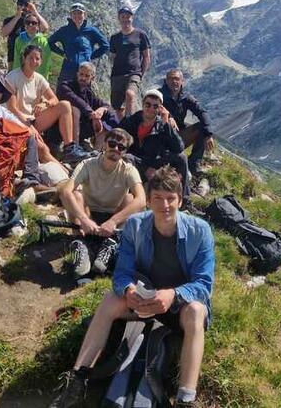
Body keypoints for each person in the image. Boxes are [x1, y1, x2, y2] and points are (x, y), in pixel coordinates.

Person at [49, 167, 214, 408]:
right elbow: (122, 273)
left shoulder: (201, 231)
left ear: (180, 200)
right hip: (143, 300)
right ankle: (77, 380)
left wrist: (173, 294)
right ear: (148, 200)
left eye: (171, 199)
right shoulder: (134, 226)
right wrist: (129, 291)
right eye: (157, 198)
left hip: (179, 306)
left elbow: (203, 284)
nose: (165, 205)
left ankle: (186, 398)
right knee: (109, 300)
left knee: (197, 312)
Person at [58, 128, 145, 277]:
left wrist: (113, 221)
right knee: (75, 195)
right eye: (112, 144)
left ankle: (109, 244)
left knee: (131, 199)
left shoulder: (129, 170)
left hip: (114, 217)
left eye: (121, 147)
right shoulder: (87, 164)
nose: (116, 149)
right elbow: (66, 191)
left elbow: (142, 199)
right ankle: (80, 242)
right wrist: (84, 219)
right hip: (88, 214)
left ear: (125, 152)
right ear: (104, 144)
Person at [5, 44, 90, 164]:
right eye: (31, 58)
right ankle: (61, 170)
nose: (34, 61)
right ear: (24, 58)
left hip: (34, 119)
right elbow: (12, 108)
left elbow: (54, 99)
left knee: (65, 105)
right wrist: (28, 124)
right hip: (18, 121)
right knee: (42, 150)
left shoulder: (39, 79)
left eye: (37, 59)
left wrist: (45, 104)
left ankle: (69, 148)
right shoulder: (12, 77)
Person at [119, 89, 190, 200]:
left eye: (155, 106)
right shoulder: (131, 121)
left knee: (181, 157)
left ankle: (184, 200)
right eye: (148, 105)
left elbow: (178, 148)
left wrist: (166, 124)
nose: (151, 109)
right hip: (136, 162)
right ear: (142, 105)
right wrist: (146, 168)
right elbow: (119, 139)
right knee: (127, 157)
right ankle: (125, 197)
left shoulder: (162, 125)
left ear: (160, 109)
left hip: (155, 163)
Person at [160, 69, 214, 176]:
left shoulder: (186, 97)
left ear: (182, 81)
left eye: (176, 79)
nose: (174, 81)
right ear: (166, 81)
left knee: (201, 128)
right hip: (161, 139)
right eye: (170, 78)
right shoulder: (159, 95)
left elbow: (202, 112)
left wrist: (209, 134)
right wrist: (168, 116)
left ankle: (193, 164)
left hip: (178, 137)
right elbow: (153, 108)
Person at [57, 61, 118, 149]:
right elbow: (76, 100)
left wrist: (101, 110)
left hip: (83, 127)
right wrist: (92, 114)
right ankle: (73, 149)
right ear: (77, 74)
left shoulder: (89, 93)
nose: (83, 78)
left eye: (87, 76)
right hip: (63, 128)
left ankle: (98, 149)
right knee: (75, 110)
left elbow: (106, 105)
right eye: (81, 74)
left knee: (109, 114)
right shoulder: (66, 86)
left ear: (92, 78)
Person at [47, 2, 109, 83]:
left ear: (85, 15)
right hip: (67, 70)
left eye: (80, 13)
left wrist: (90, 56)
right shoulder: (64, 30)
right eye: (74, 13)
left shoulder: (91, 30)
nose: (77, 16)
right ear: (70, 15)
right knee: (63, 94)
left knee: (83, 94)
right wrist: (61, 53)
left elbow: (105, 45)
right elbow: (50, 42)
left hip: (85, 73)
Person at [109, 5, 150, 118]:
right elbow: (112, 56)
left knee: (130, 94)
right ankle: (122, 129)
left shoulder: (140, 34)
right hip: (117, 75)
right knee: (117, 106)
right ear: (119, 18)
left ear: (132, 18)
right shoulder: (114, 38)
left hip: (134, 73)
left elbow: (146, 56)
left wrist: (141, 73)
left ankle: (130, 124)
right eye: (123, 16)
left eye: (128, 16)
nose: (125, 19)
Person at [1, 0, 49, 67]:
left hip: (32, 58)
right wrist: (17, 17)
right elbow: (4, 33)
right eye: (21, 5)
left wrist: (34, 12)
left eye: (26, 5)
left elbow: (45, 28)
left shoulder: (33, 22)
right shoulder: (9, 20)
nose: (24, 8)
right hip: (13, 58)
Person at [12, 11, 52, 75]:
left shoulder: (43, 41)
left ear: (38, 26)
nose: (30, 25)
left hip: (38, 77)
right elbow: (17, 60)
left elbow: (45, 62)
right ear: (25, 25)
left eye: (34, 23)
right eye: (28, 22)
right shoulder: (19, 40)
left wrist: (41, 78)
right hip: (23, 76)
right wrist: (16, 76)